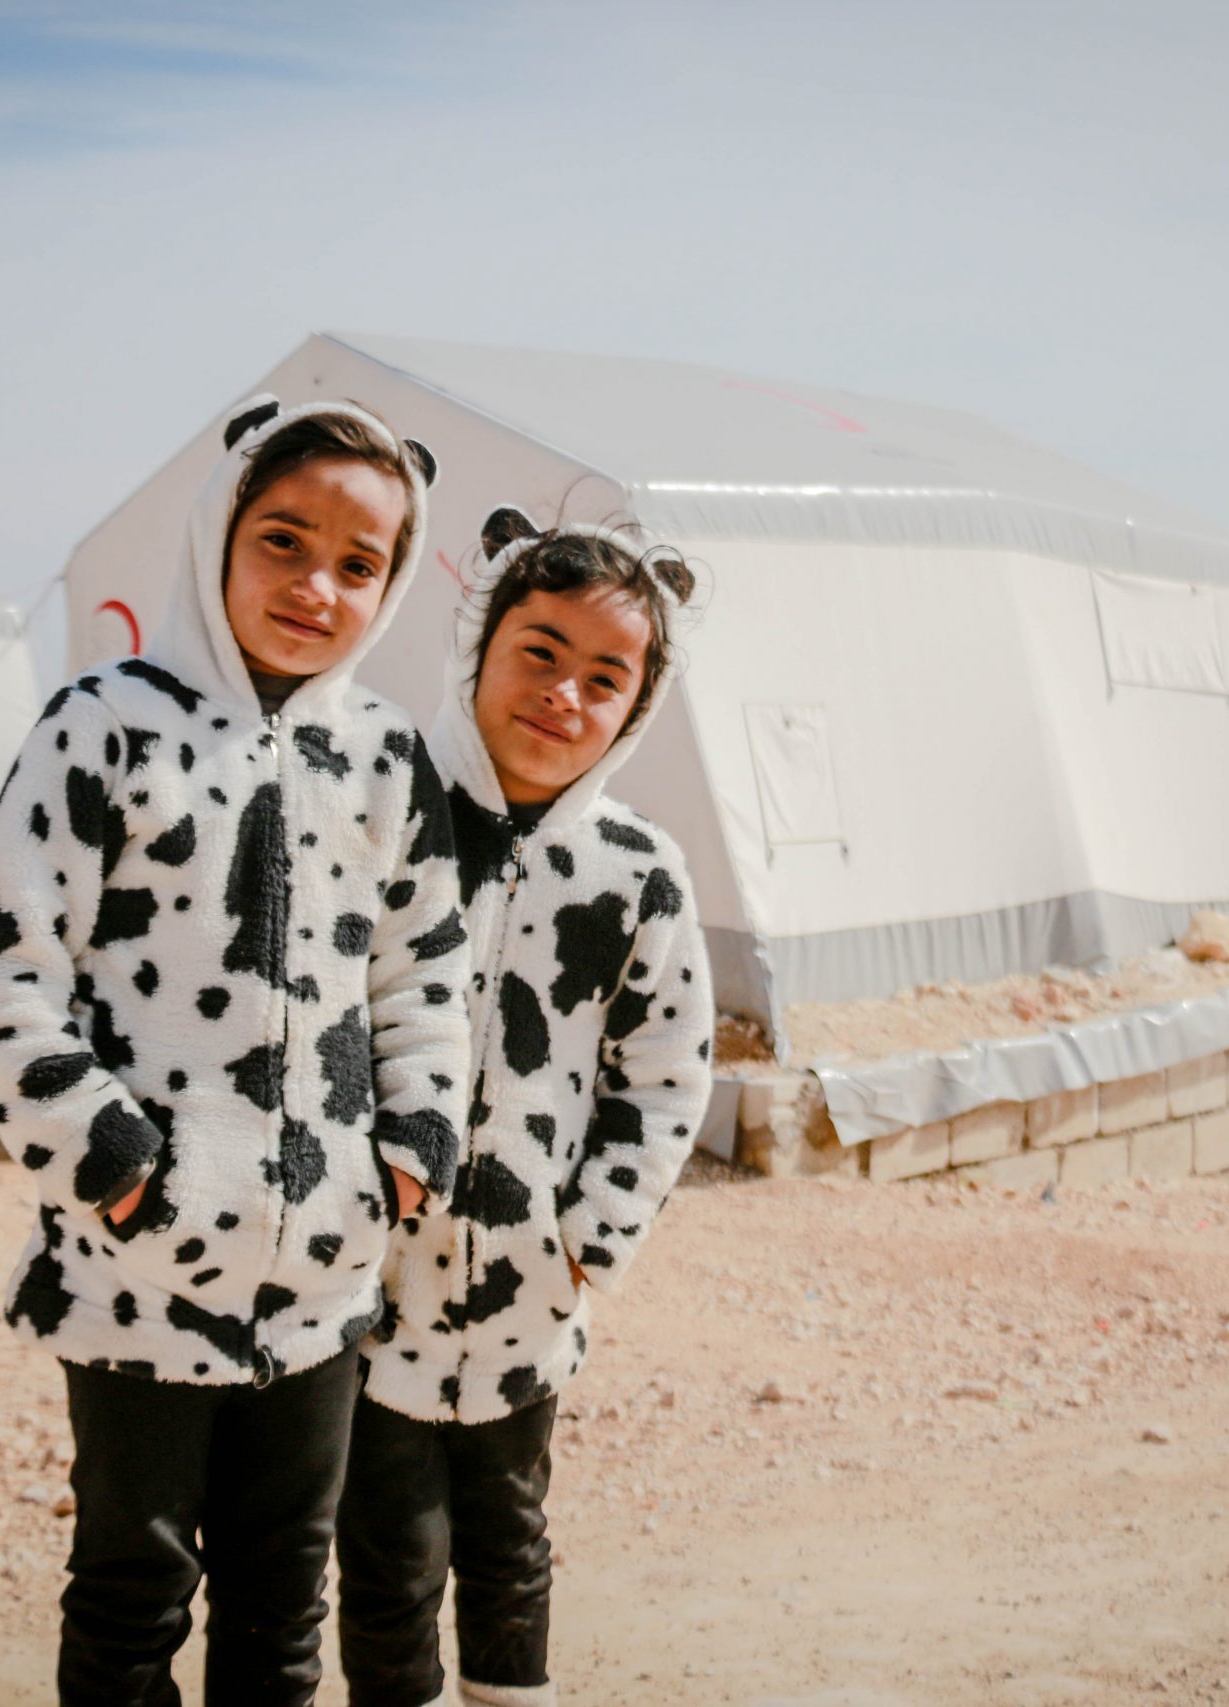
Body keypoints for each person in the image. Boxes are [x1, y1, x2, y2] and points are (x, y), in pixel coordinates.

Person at [0, 397, 472, 1706]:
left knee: (284, 1593)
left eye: (360, 564)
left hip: (327, 1271)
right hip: (137, 1267)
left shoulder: (386, 757)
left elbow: (425, 982)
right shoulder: (106, 723)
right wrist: (116, 1161)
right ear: (217, 532)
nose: (316, 586)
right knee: (132, 1590)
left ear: (393, 587)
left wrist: (404, 1157)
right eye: (285, 539)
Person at [336, 507, 713, 1707]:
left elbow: (665, 1071)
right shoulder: (384, 810)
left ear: (635, 707)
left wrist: (589, 1242)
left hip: (526, 1284)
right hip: (364, 1276)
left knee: (509, 1539)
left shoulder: (637, 871)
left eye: (605, 678)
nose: (564, 696)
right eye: (539, 652)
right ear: (479, 650)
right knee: (386, 1556)